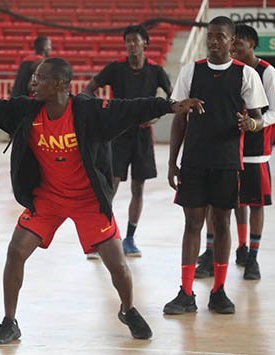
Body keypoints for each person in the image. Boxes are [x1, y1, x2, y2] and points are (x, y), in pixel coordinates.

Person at [0, 58, 204, 344]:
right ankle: (10, 322)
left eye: (39, 78)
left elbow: (131, 107)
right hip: (48, 198)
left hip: (87, 200)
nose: (32, 82)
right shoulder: (25, 111)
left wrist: (171, 105)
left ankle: (128, 310)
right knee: (15, 252)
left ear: (59, 84)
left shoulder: (87, 111)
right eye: (34, 77)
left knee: (118, 265)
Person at [164, 16, 268, 315]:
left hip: (226, 162)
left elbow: (260, 117)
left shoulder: (245, 74)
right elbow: (179, 117)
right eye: (210, 36)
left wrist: (251, 123)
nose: (213, 41)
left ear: (231, 41)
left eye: (220, 36)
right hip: (194, 161)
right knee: (192, 224)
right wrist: (173, 162)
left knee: (222, 224)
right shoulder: (191, 71)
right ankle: (185, 292)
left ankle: (219, 291)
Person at [195, 25, 275, 280]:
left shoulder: (267, 73)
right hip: (225, 148)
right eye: (233, 43)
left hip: (255, 150)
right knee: (219, 203)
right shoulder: (226, 70)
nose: (234, 48)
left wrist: (255, 124)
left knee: (254, 203)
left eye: (239, 44)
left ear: (252, 44)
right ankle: (213, 253)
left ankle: (252, 256)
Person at [83, 25, 173, 258]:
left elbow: (173, 97)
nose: (131, 44)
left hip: (143, 136)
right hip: (118, 135)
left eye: (136, 40)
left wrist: (157, 115)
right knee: (110, 185)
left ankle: (130, 239)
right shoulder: (115, 68)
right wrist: (101, 113)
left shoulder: (156, 70)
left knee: (138, 187)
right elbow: (89, 89)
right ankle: (101, 238)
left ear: (146, 43)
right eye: (128, 41)